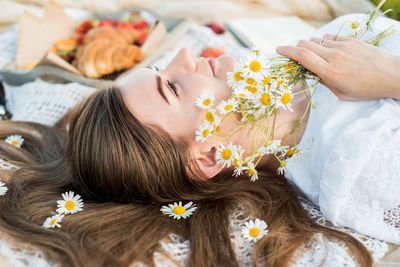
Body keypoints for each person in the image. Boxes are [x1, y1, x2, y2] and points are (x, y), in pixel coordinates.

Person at [0, 13, 398, 267]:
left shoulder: (288, 59)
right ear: (209, 154)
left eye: (161, 66)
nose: (186, 54)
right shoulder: (357, 167)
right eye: (172, 86)